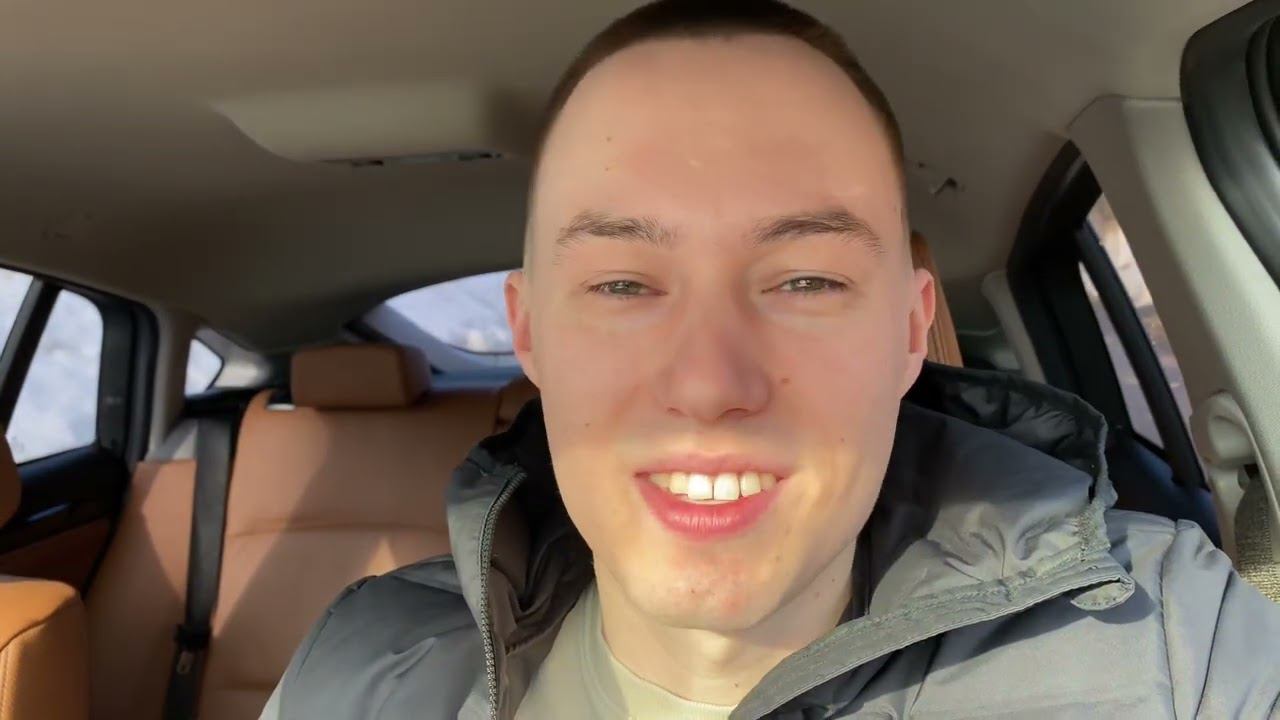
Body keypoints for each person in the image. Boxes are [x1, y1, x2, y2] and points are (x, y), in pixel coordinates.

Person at [261, 1, 1280, 717]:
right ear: (530, 337)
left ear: (909, 332)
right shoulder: (358, 671)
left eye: (806, 281)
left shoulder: (1173, 645)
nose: (709, 385)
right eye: (622, 286)